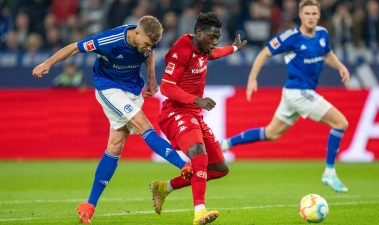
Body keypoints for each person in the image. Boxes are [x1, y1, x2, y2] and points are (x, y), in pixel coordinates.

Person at [32, 16, 191, 224]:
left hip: (133, 90)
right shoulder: (109, 41)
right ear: (136, 33)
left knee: (116, 144)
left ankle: (88, 205)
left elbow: (148, 55)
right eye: (146, 43)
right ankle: (183, 165)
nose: (147, 48)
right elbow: (73, 48)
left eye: (152, 45)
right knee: (144, 124)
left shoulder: (147, 42)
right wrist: (47, 63)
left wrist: (152, 79)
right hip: (109, 87)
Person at [220, 0, 350, 193]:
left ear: (319, 15)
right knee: (341, 123)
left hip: (296, 94)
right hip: (298, 92)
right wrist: (252, 79)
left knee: (271, 133)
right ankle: (329, 173)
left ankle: (225, 144)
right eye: (307, 13)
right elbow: (264, 53)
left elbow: (327, 54)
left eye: (314, 13)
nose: (311, 17)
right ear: (300, 15)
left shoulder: (323, 34)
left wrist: (340, 66)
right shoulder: (291, 37)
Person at [150, 12, 246, 225]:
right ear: (198, 32)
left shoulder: (203, 49)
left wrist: (234, 48)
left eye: (217, 38)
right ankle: (199, 212)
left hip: (192, 114)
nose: (214, 42)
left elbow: (215, 53)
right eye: (211, 37)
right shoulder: (182, 51)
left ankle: (164, 187)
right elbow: (166, 87)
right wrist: (196, 100)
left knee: (219, 169)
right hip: (175, 113)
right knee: (198, 154)